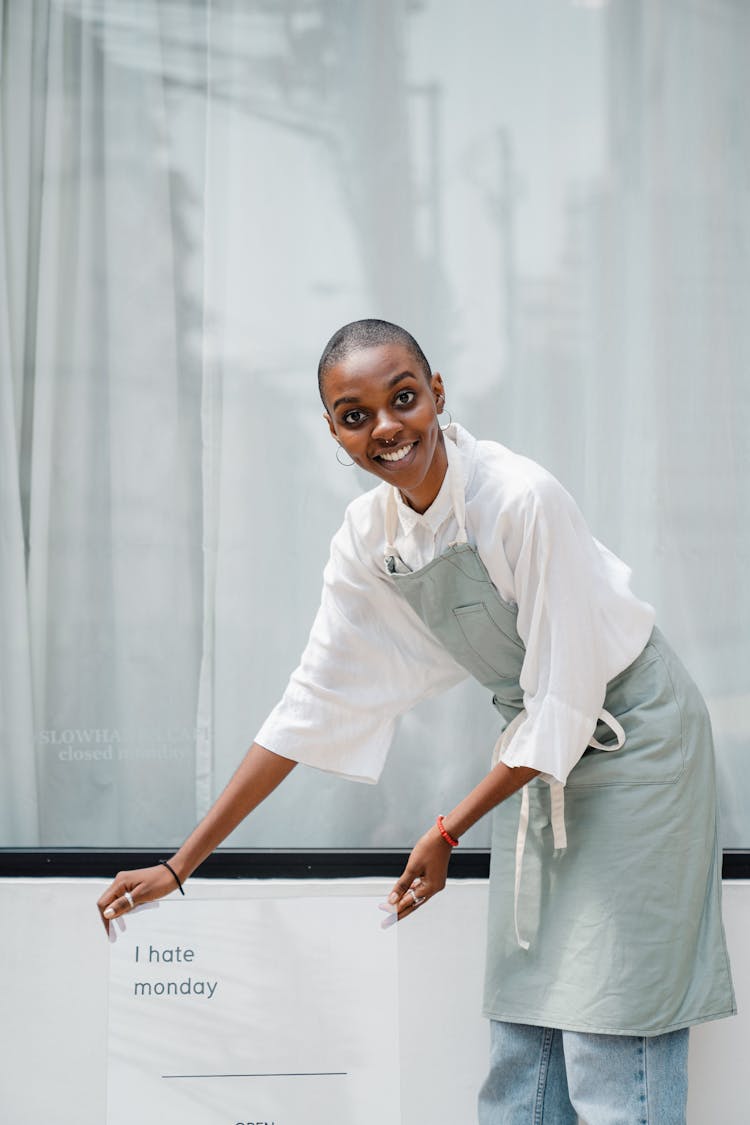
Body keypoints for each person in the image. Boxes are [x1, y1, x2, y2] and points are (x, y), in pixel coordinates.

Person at [98, 319, 735, 1124]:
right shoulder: (370, 539)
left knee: (610, 1035)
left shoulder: (520, 498)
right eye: (355, 414)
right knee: (525, 1051)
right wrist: (180, 865)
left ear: (438, 394)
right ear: (334, 431)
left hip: (633, 745)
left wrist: (447, 829)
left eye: (403, 399)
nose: (386, 428)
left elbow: (568, 701)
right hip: (537, 760)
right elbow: (309, 703)